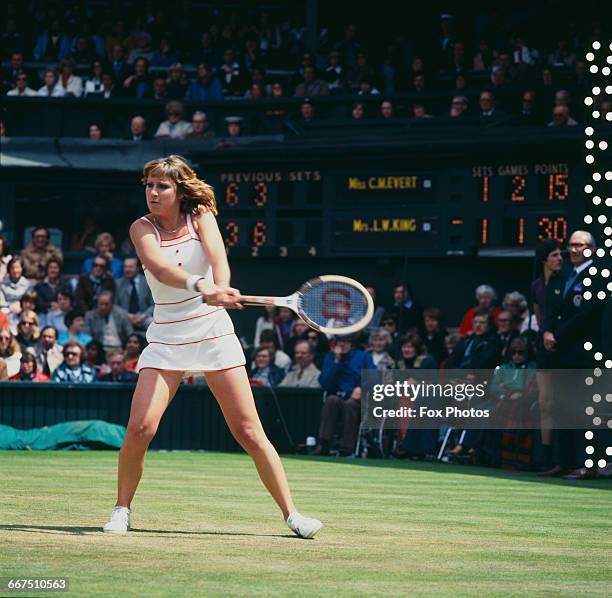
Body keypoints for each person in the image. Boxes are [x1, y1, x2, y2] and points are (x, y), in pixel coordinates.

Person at [102, 155, 322, 538]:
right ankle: (122, 509)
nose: (153, 193)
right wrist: (201, 286)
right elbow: (158, 267)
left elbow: (219, 259)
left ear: (179, 189)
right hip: (166, 338)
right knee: (140, 428)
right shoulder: (142, 228)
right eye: (149, 186)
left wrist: (221, 286)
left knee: (250, 432)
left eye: (162, 186)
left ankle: (293, 515)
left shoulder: (201, 214)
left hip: (213, 334)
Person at [540, 231, 603, 480]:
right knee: (562, 407)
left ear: (592, 248)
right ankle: (564, 462)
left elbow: (587, 315)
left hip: (583, 353)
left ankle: (586, 464)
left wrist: (557, 335)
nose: (574, 249)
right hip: (563, 354)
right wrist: (548, 332)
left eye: (580, 245)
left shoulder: (596, 276)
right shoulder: (567, 275)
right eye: (572, 245)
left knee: (582, 409)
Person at [311, 333, 375, 457]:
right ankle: (323, 443)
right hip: (338, 396)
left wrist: (362, 388)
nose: (342, 345)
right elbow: (324, 383)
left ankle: (347, 447)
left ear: (352, 343)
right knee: (331, 400)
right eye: (340, 342)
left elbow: (374, 379)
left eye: (346, 342)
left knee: (350, 405)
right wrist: (336, 361)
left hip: (358, 399)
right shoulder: (331, 357)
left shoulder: (363, 356)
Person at [531, 240, 564, 471]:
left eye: (560, 254)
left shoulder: (566, 282)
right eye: (554, 255)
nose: (560, 258)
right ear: (545, 259)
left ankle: (559, 457)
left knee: (561, 402)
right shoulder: (536, 285)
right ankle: (543, 455)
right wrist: (544, 335)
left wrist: (555, 335)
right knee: (545, 402)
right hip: (544, 348)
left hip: (562, 347)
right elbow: (539, 314)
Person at [85, 291, 133, 357]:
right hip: (99, 350)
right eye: (101, 304)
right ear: (97, 303)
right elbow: (87, 336)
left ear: (112, 304)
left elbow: (130, 333)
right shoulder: (90, 316)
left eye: (106, 304)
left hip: (119, 348)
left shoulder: (122, 314)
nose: (103, 307)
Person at [114, 257, 154, 334]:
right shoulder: (117, 283)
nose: (127, 269)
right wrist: (128, 315)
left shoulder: (147, 282)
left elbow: (153, 304)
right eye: (125, 267)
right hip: (125, 317)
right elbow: (115, 305)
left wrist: (143, 316)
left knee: (153, 324)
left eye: (130, 267)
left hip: (143, 317)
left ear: (138, 268)